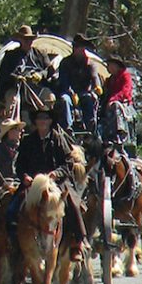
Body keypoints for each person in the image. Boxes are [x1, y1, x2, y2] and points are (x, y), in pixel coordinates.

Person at [10, 107, 88, 261]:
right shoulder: (28, 141)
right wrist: (24, 176)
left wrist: (56, 174)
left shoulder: (58, 139)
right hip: (33, 184)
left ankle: (77, 242)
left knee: (74, 205)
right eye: (39, 119)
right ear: (35, 121)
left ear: (50, 121)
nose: (42, 122)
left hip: (56, 183)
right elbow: (19, 165)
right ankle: (13, 243)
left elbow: (68, 162)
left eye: (45, 119)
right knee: (12, 208)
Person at [0, 25, 53, 117]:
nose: (28, 42)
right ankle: (12, 124)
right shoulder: (10, 55)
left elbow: (49, 70)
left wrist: (40, 74)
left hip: (37, 87)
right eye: (25, 39)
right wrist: (16, 78)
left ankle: (48, 122)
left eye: (30, 39)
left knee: (50, 97)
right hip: (15, 87)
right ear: (20, 39)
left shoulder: (40, 54)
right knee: (13, 102)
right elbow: (3, 74)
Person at [56, 33, 102, 133]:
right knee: (64, 100)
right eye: (76, 46)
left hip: (84, 92)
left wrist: (97, 87)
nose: (77, 49)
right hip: (68, 91)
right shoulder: (65, 62)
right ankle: (68, 128)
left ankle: (90, 129)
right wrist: (72, 93)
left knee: (89, 99)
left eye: (80, 47)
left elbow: (94, 77)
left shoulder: (90, 63)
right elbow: (64, 81)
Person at [100, 56, 135, 147]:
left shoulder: (125, 76)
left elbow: (125, 91)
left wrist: (113, 99)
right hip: (110, 104)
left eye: (109, 65)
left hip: (124, 104)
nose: (107, 67)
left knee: (115, 105)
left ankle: (119, 133)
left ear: (116, 65)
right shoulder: (110, 80)